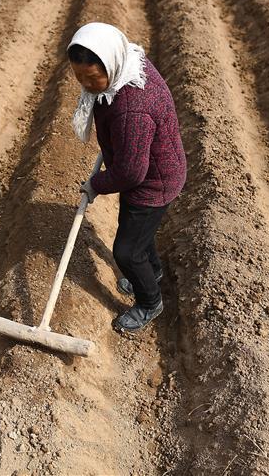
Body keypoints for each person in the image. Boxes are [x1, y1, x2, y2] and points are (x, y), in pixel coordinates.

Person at [66, 22, 187, 333]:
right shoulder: (130, 62)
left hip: (154, 183)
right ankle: (153, 272)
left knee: (126, 250)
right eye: (80, 77)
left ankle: (150, 302)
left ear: (111, 65)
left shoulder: (132, 110)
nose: (87, 86)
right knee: (138, 236)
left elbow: (131, 172)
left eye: (93, 79)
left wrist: (96, 185)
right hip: (155, 168)